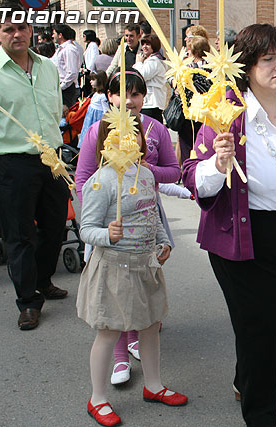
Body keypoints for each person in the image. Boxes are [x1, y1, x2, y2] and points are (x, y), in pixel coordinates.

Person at [182, 23, 276, 427]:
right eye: (268, 58)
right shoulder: (226, 109)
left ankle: (244, 379)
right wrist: (219, 162)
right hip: (244, 242)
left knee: (266, 323)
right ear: (246, 66)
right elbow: (193, 179)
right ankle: (261, 413)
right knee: (260, 330)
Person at [77, 113, 187, 427]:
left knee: (151, 326)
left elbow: (153, 216)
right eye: (119, 134)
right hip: (114, 269)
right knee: (109, 331)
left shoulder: (148, 176)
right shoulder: (100, 180)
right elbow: (86, 228)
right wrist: (105, 234)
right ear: (106, 142)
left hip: (146, 266)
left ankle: (153, 386)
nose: (128, 139)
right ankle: (97, 398)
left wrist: (164, 242)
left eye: (134, 133)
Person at [0, 0, 69, 330]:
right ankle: (28, 300)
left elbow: (55, 113)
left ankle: (44, 279)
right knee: (19, 234)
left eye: (22, 27)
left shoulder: (48, 68)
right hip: (12, 164)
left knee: (55, 227)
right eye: (9, 29)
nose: (17, 34)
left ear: (31, 30)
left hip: (52, 161)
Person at [176, 35, 211, 165]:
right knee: (205, 146)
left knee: (187, 149)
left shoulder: (187, 67)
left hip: (189, 114)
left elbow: (175, 85)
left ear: (193, 51)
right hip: (208, 114)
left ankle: (189, 176)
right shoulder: (214, 66)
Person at [133, 34, 167, 123]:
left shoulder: (154, 61)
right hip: (151, 102)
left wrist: (138, 63)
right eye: (143, 44)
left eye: (148, 44)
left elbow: (141, 75)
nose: (144, 47)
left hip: (151, 103)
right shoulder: (152, 60)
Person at [51, 24, 82, 107]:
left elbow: (72, 72)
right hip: (61, 87)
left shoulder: (69, 49)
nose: (52, 36)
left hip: (67, 89)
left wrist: (61, 87)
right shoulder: (60, 49)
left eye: (54, 33)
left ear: (60, 35)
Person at [78, 70, 109, 147]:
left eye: (93, 80)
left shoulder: (102, 96)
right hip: (90, 118)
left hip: (96, 118)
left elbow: (106, 110)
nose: (90, 82)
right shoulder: (95, 93)